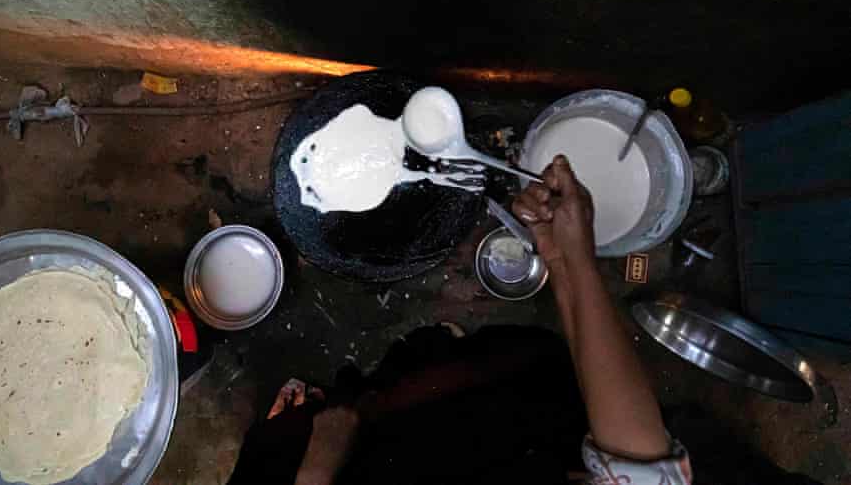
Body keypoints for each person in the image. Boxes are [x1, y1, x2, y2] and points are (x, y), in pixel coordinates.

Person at [229, 155, 692, 484]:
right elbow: (640, 464)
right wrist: (569, 258)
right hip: (515, 434)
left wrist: (316, 470)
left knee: (277, 448)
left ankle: (420, 362)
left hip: (407, 449)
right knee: (514, 375)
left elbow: (638, 466)